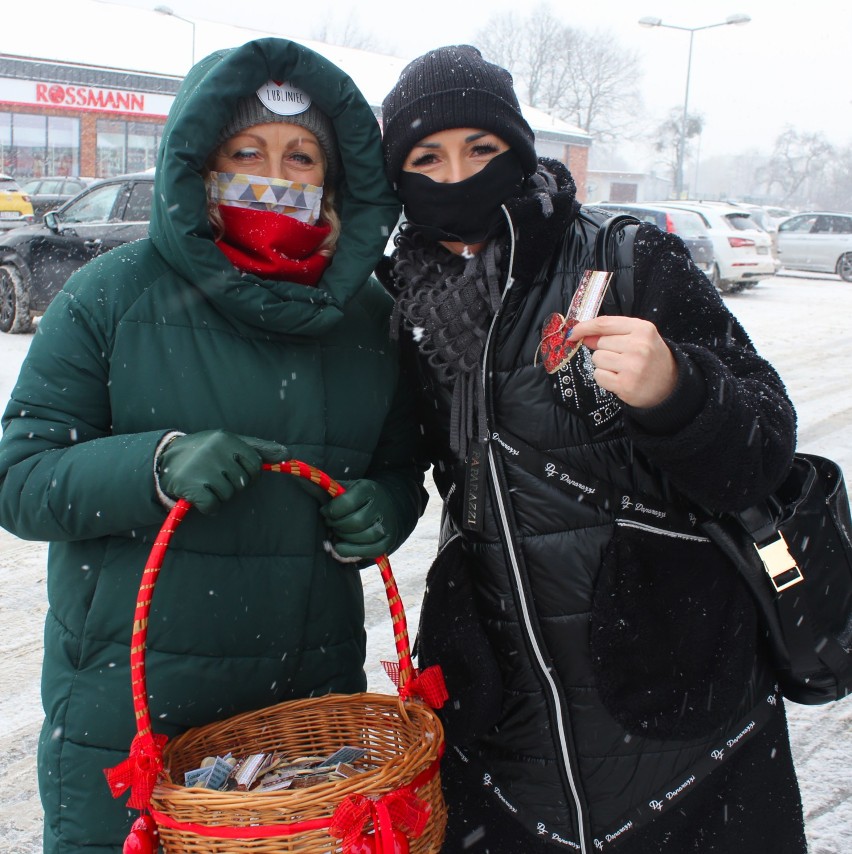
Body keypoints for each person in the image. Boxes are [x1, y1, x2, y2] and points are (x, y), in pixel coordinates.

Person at [0, 37, 425, 853]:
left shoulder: (369, 319)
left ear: (332, 182)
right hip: (133, 716)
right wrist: (153, 466)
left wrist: (390, 507)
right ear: (200, 164)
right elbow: (20, 480)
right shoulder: (110, 297)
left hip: (300, 718)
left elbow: (397, 466)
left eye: (301, 155)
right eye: (246, 150)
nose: (276, 171)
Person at [378, 45, 806, 853]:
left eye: (482, 149)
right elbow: (409, 467)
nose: (455, 174)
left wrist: (680, 392)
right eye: (425, 158)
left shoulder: (628, 256)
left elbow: (765, 446)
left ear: (520, 151)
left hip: (680, 697)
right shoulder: (405, 302)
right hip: (506, 722)